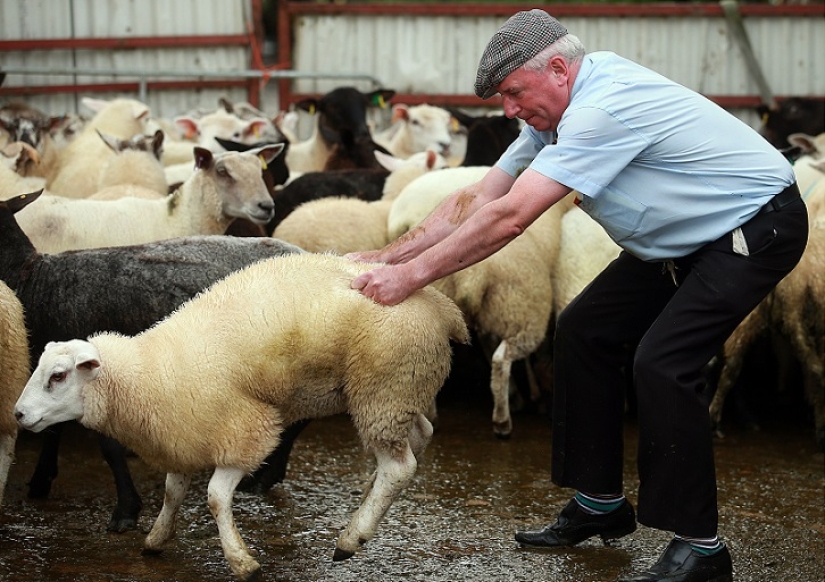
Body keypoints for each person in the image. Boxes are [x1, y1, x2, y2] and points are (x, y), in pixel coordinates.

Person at [348, 9, 808, 582]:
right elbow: (480, 196)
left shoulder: (601, 109)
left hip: (751, 227)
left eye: (514, 92)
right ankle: (601, 503)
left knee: (664, 363)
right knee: (586, 330)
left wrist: (409, 281)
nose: (508, 110)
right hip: (678, 238)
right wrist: (386, 257)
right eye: (503, 98)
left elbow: (512, 217)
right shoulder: (553, 118)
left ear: (559, 69)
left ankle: (702, 547)